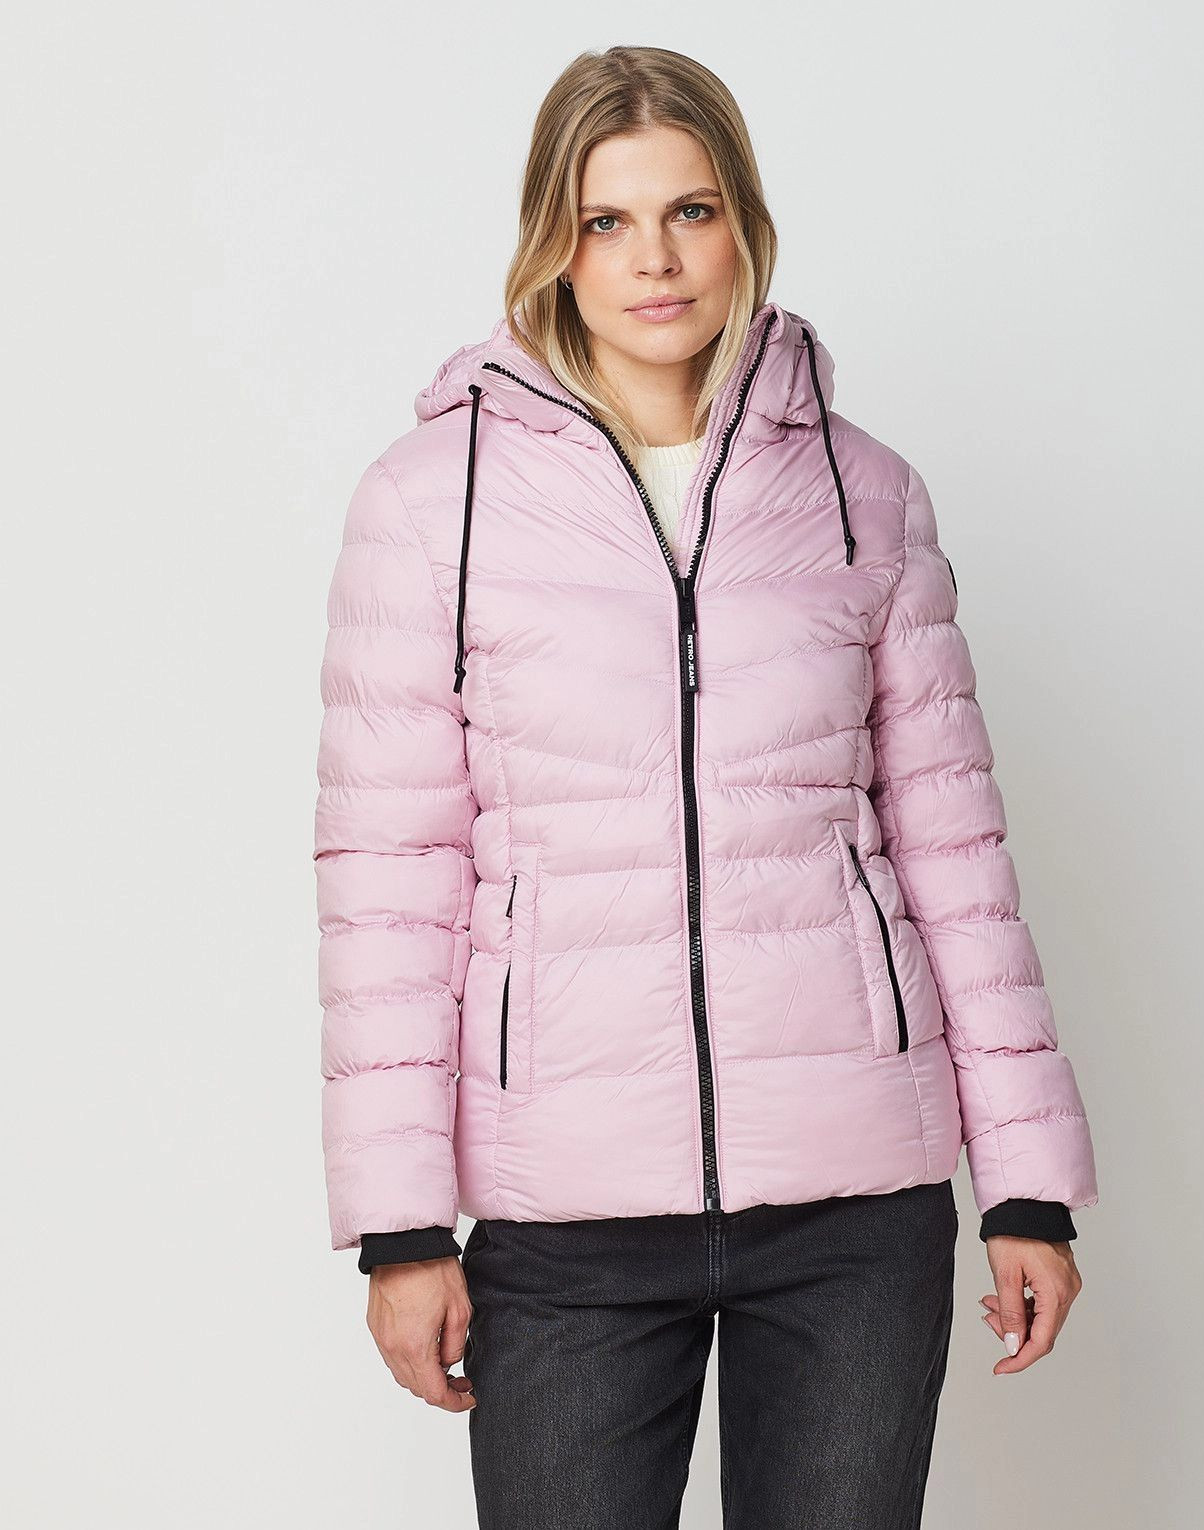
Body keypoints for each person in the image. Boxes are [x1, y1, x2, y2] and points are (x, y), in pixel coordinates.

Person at [313, 44, 1099, 1529]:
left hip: (854, 1209)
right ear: (553, 243)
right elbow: (388, 885)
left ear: (744, 221)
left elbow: (955, 850)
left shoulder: (863, 493)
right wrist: (401, 1227)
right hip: (566, 1214)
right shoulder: (429, 504)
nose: (654, 261)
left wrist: (1025, 1182)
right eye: (605, 222)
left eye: (690, 211)